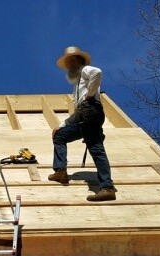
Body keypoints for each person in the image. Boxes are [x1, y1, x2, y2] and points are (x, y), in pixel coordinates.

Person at [49, 46, 116, 201]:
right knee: (60, 136)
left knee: (96, 149)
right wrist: (62, 125)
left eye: (72, 62)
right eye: (68, 65)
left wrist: (90, 95)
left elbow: (97, 72)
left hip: (91, 114)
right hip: (83, 117)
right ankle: (61, 171)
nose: (70, 67)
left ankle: (107, 187)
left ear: (79, 61)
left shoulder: (86, 71)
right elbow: (78, 112)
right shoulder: (77, 86)